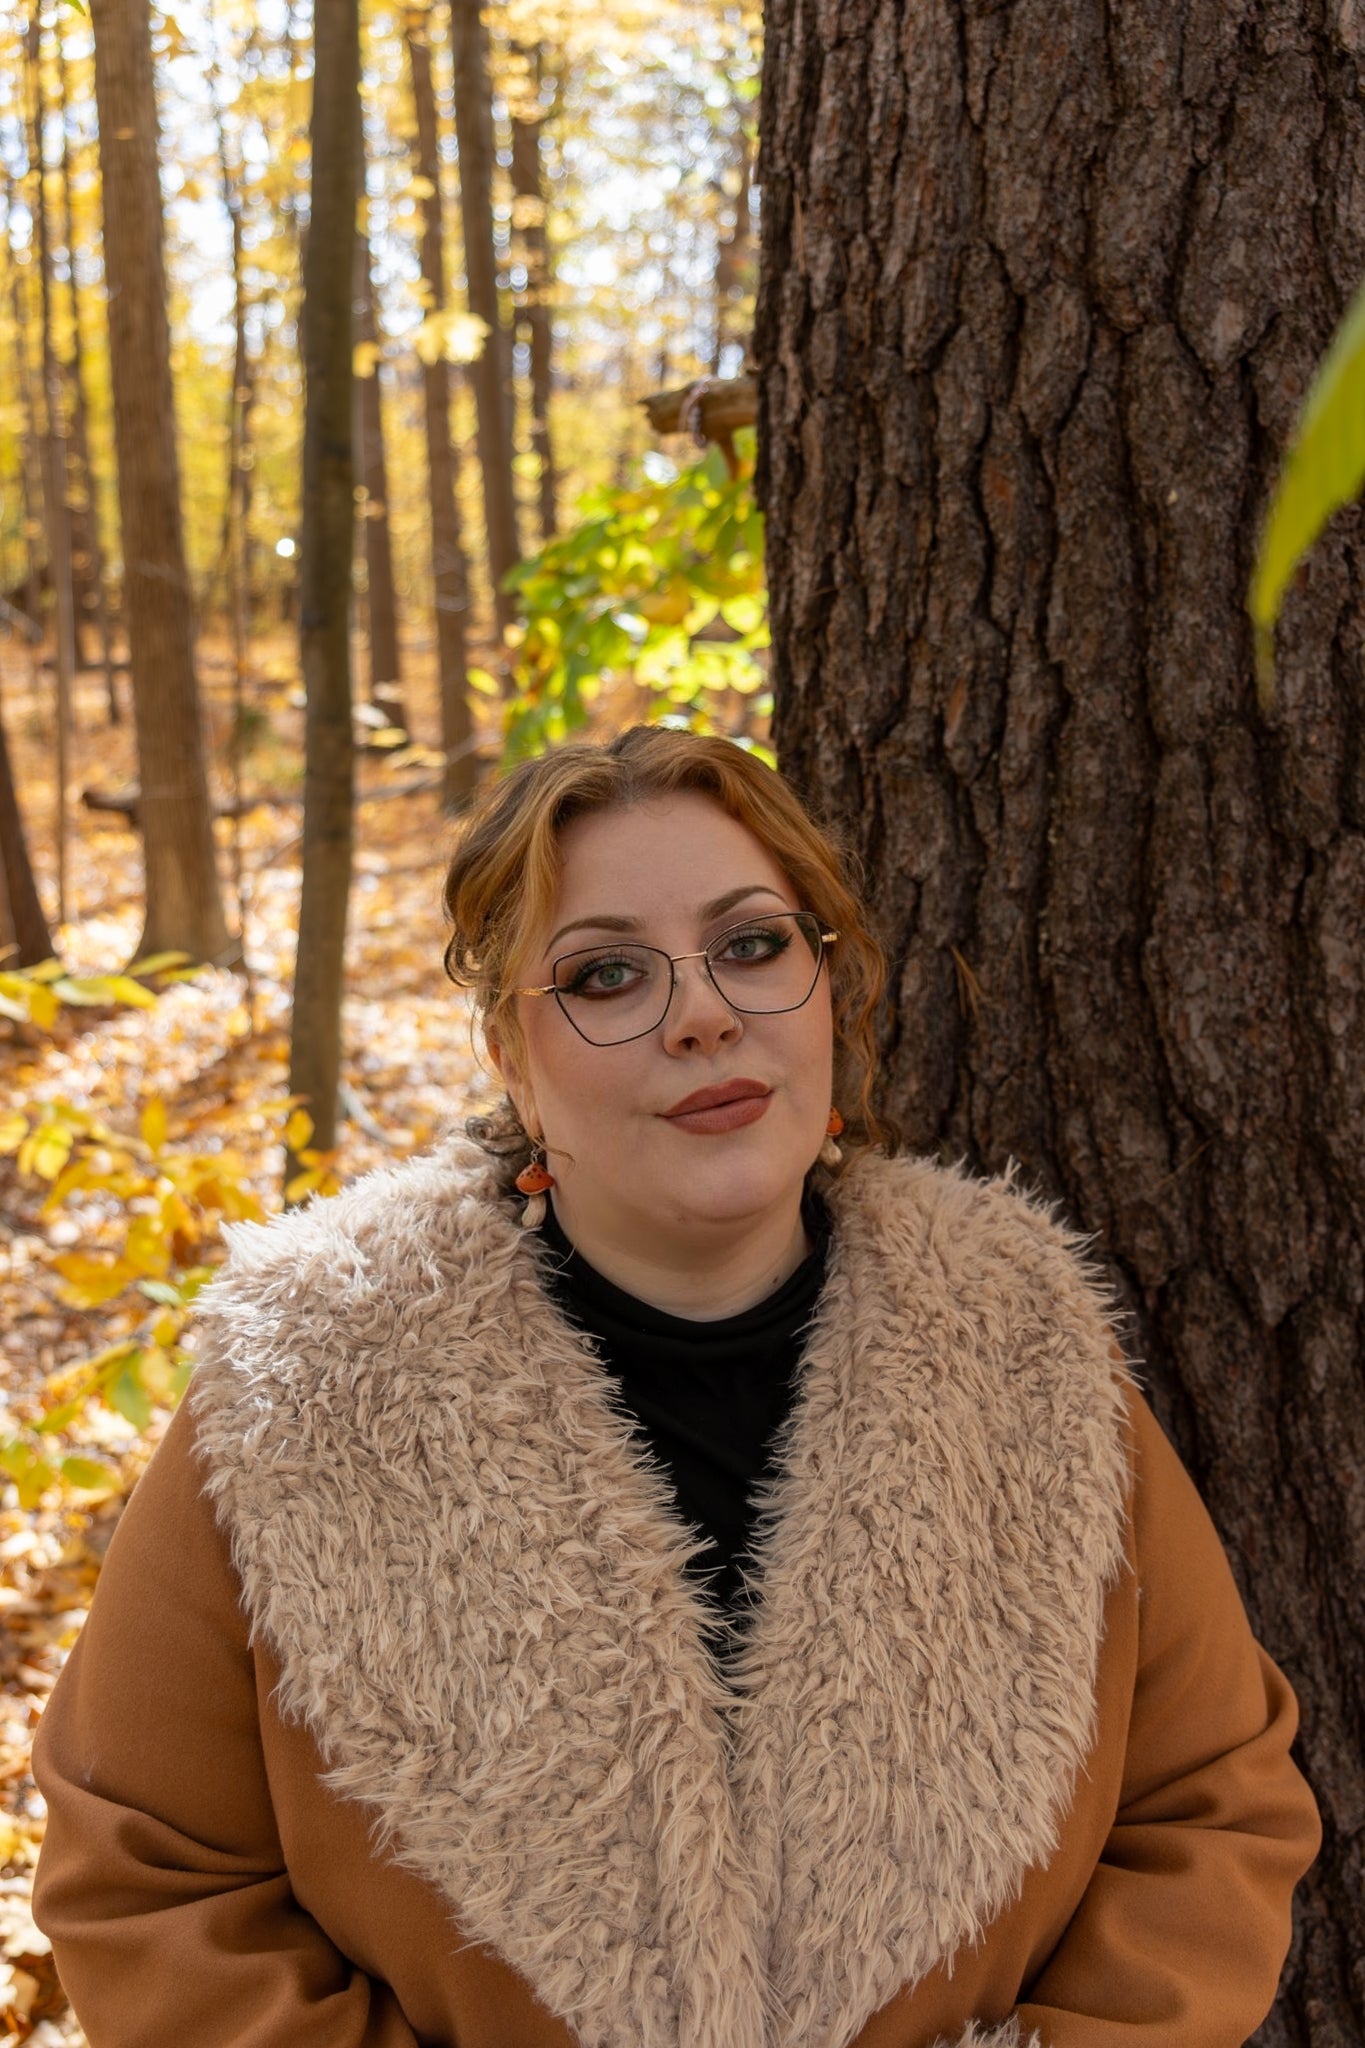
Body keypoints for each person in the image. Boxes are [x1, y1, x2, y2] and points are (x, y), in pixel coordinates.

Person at [32, 726, 1319, 2048]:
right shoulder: (312, 1384)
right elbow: (144, 1878)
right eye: (604, 974)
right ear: (511, 1061)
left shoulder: (1024, 1349)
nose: (701, 1014)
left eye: (752, 945)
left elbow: (1210, 1799)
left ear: (829, 990)